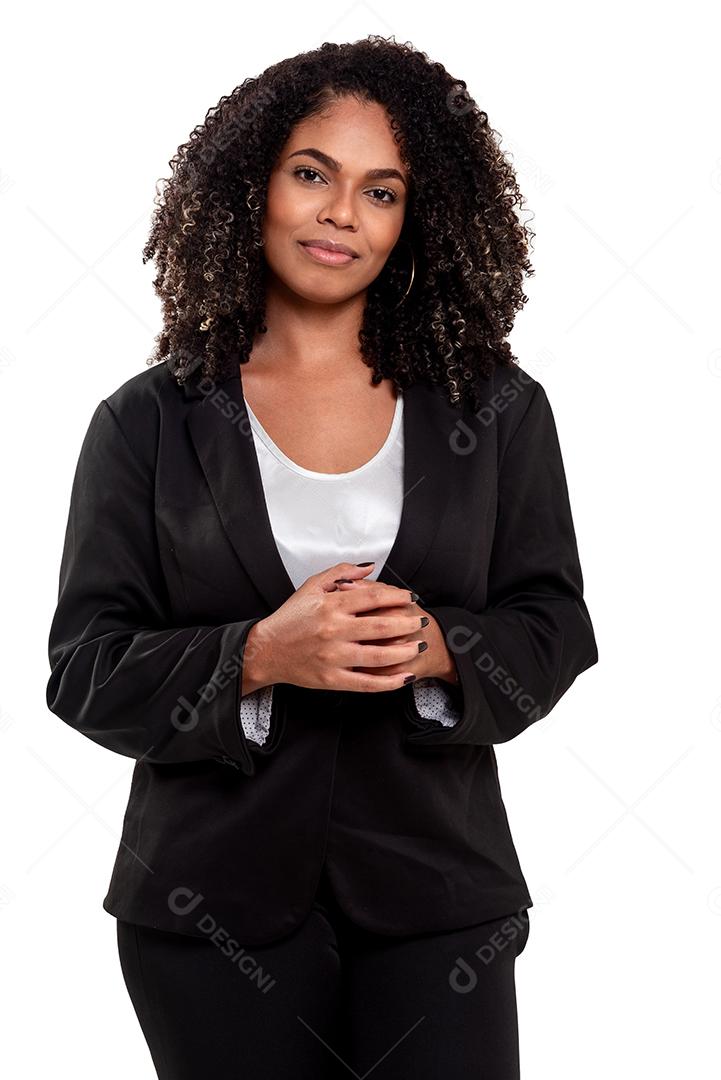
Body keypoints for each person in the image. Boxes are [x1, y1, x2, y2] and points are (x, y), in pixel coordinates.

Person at [46, 35, 599, 1080]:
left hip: (440, 898)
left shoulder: (495, 408)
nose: (342, 213)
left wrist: (442, 648)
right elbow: (82, 669)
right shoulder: (146, 424)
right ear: (251, 183)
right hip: (210, 909)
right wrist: (256, 656)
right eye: (312, 174)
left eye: (381, 191)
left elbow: (554, 622)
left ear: (417, 220)